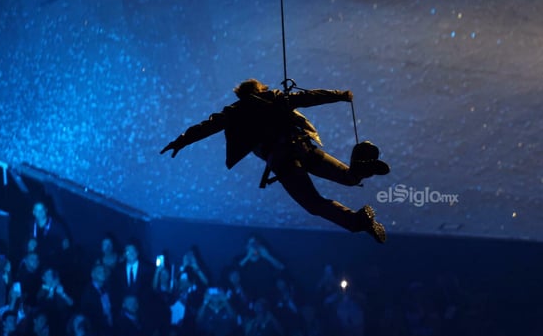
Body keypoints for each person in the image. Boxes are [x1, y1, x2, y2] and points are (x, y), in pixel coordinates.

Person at [161, 79, 390, 242]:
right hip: (304, 148)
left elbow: (207, 126)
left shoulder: (235, 111)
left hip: (283, 160)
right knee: (349, 177)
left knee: (314, 203)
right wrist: (339, 95)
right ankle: (360, 168)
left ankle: (356, 221)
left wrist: (181, 141)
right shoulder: (275, 98)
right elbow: (308, 97)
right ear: (260, 88)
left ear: (240, 95)